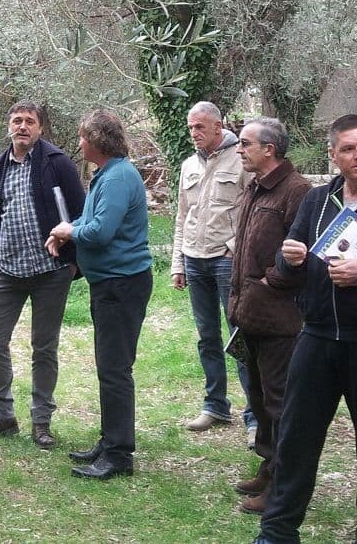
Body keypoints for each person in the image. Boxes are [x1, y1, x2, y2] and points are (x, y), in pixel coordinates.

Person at [254, 115, 357, 544]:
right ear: (334, 155)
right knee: (295, 438)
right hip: (318, 334)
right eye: (349, 149)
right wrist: (290, 257)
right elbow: (289, 269)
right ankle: (277, 531)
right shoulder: (318, 200)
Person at [0, 100, 86, 450]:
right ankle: (2, 415)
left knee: (44, 347)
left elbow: (80, 212)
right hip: (5, 269)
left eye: (30, 122)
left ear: (40, 128)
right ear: (9, 126)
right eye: (17, 120)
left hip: (50, 271)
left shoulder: (57, 163)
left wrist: (71, 260)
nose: (22, 127)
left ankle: (41, 421)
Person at [47, 109, 153, 480]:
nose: (78, 144)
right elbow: (90, 222)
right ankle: (110, 442)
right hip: (109, 283)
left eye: (81, 137)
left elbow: (99, 232)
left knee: (115, 371)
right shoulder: (108, 175)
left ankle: (120, 455)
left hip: (121, 285)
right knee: (109, 368)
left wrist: (67, 230)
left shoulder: (120, 177)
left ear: (96, 141)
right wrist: (67, 229)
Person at [228, 116, 310, 515]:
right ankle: (268, 464)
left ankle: (282, 484)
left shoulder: (297, 191)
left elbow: (303, 250)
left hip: (279, 320)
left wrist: (272, 282)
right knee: (258, 398)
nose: (239, 149)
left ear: (269, 150)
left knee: (280, 403)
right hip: (248, 315)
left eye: (244, 143)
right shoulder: (254, 187)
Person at [172, 101, 255, 440]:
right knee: (207, 336)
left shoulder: (242, 160)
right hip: (194, 258)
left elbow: (254, 210)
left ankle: (255, 416)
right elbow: (181, 216)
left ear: (218, 127)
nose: (194, 133)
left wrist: (233, 248)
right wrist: (178, 263)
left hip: (226, 260)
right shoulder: (189, 164)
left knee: (240, 336)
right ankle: (215, 405)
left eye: (200, 127)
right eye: (191, 127)